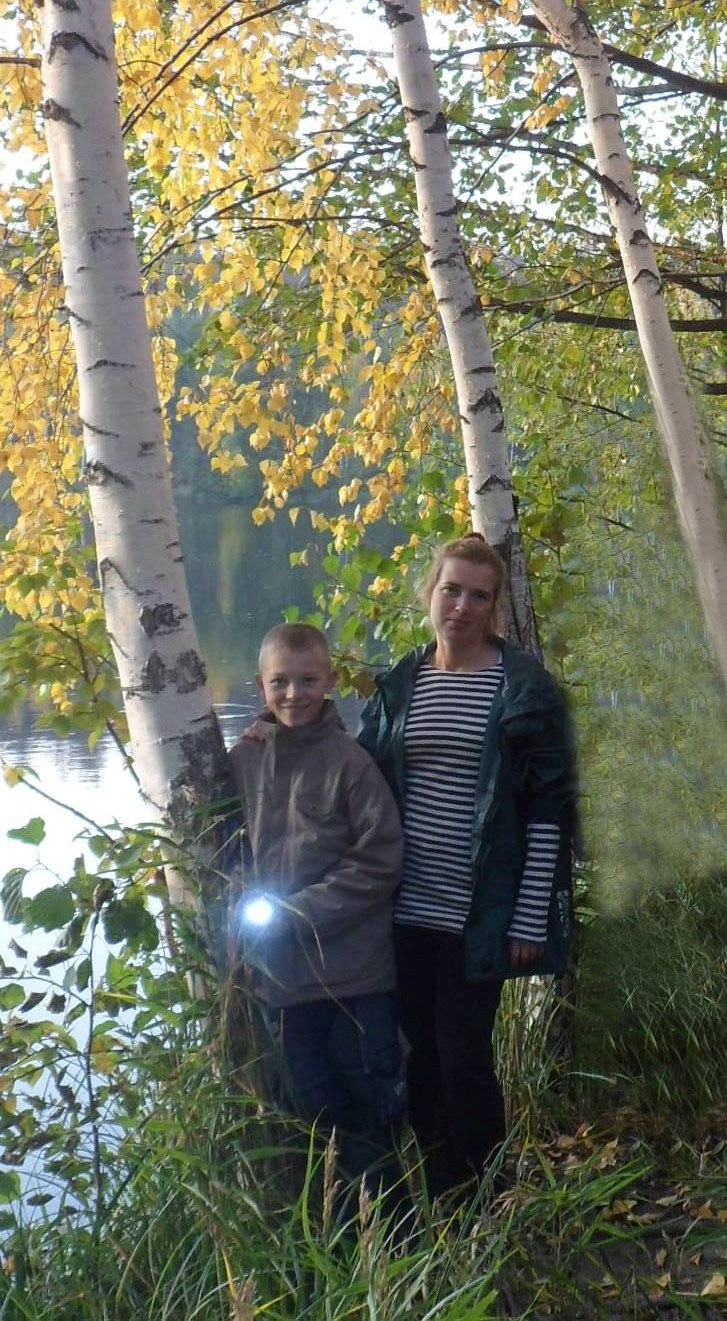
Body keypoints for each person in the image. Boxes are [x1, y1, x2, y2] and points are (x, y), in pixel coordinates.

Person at [358, 533, 577, 1200]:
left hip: (478, 914)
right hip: (403, 910)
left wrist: (529, 915)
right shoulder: (403, 681)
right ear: (429, 592)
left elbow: (549, 809)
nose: (460, 606)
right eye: (450, 589)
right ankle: (444, 1197)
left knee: (463, 1058)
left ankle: (490, 1195)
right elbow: (356, 773)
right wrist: (277, 731)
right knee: (419, 1059)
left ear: (493, 606)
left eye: (478, 596)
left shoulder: (523, 689)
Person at [227, 622, 406, 1210]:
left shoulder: (351, 764)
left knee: (369, 1114)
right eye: (280, 682)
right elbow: (226, 846)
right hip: (282, 985)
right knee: (312, 1115)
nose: (293, 694)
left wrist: (294, 914)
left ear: (330, 682)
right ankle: (336, 1235)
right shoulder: (244, 760)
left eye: (307, 681)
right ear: (260, 686)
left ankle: (396, 1236)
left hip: (354, 981)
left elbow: (380, 861)